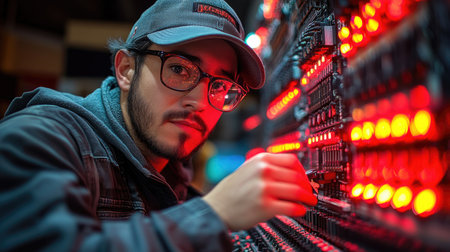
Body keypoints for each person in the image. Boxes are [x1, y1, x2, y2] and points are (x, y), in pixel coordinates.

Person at [0, 0, 317, 251]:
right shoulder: (38, 138)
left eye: (220, 86)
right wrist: (213, 215)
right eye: (179, 69)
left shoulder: (170, 182)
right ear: (125, 70)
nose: (200, 101)